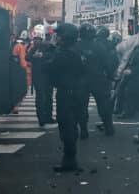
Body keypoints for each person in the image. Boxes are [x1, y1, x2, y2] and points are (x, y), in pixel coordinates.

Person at [48, 23, 84, 172]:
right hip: (75, 93)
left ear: (66, 37)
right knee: (70, 126)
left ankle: (69, 161)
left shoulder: (65, 53)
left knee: (67, 127)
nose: (57, 38)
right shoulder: (75, 51)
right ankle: (70, 159)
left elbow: (51, 69)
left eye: (59, 35)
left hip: (67, 94)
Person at [83, 26, 117, 136]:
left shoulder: (77, 45)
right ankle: (108, 128)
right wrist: (111, 76)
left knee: (81, 105)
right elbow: (108, 63)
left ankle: (83, 130)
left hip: (82, 80)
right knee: (104, 105)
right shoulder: (101, 46)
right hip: (99, 78)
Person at [27, 24, 56, 127]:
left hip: (47, 76)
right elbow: (27, 57)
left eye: (38, 39)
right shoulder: (34, 48)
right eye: (35, 39)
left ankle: (47, 117)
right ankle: (42, 118)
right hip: (40, 77)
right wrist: (35, 56)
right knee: (41, 97)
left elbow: (53, 56)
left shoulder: (48, 46)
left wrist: (42, 56)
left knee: (47, 97)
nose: (36, 41)